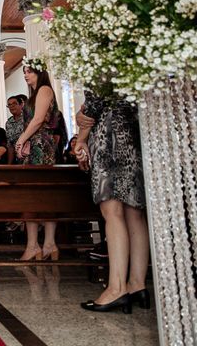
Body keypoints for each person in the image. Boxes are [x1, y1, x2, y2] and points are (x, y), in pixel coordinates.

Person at [77, 92, 149, 313]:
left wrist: (81, 136)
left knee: (112, 210)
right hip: (134, 129)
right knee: (134, 211)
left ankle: (117, 287)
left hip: (110, 134)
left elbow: (97, 97)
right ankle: (137, 284)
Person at [15, 59, 58, 261]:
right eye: (24, 71)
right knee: (32, 195)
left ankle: (45, 244)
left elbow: (39, 119)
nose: (26, 75)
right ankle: (38, 245)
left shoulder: (45, 90)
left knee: (41, 195)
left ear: (40, 73)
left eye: (30, 71)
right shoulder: (34, 94)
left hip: (40, 146)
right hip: (34, 144)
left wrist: (21, 140)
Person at [5, 95, 24, 164]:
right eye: (9, 105)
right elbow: (10, 145)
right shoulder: (8, 123)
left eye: (14, 103)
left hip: (31, 157)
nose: (11, 106)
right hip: (18, 160)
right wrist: (9, 164)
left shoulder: (28, 118)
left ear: (21, 105)